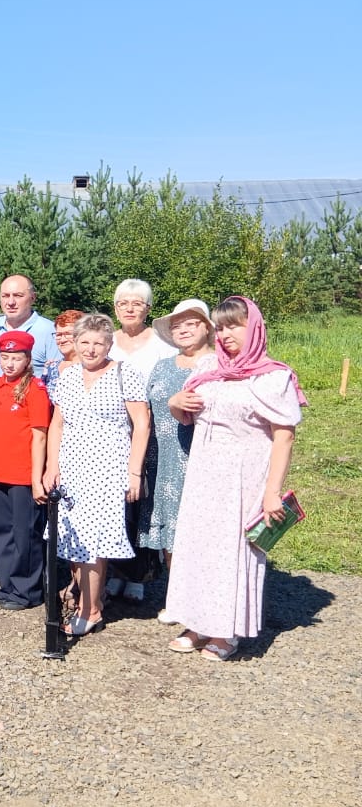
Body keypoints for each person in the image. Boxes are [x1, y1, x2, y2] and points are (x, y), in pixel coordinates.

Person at [163, 297, 304, 661]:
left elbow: (284, 436)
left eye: (234, 326)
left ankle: (226, 631)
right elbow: (186, 414)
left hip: (244, 473)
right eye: (221, 327)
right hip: (204, 471)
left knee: (231, 551)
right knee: (197, 547)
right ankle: (196, 622)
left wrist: (272, 492)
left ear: (253, 327)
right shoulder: (211, 367)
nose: (226, 334)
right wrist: (176, 402)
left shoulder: (273, 376)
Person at [42, 313, 150, 636]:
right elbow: (57, 424)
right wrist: (51, 465)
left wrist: (135, 472)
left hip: (107, 469)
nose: (91, 349)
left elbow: (142, 424)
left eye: (98, 343)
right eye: (84, 342)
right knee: (73, 539)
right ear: (75, 343)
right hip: (71, 468)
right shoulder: (68, 376)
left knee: (95, 543)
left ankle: (92, 611)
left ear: (109, 344)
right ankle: (86, 599)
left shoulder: (123, 373)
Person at [138, 299, 216, 617]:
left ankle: (205, 601)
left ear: (207, 327)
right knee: (170, 534)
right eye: (177, 325)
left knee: (198, 533)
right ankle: (177, 598)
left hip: (198, 460)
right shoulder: (163, 365)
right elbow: (145, 411)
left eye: (191, 323)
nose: (183, 329)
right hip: (161, 460)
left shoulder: (216, 366)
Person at [106, 280, 178, 601]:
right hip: (111, 435)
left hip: (151, 433)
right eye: (124, 303)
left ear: (148, 309)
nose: (130, 308)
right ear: (116, 307)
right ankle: (114, 570)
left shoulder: (162, 344)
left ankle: (138, 574)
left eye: (137, 303)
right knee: (115, 503)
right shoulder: (108, 342)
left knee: (143, 502)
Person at [0, 331, 51, 611]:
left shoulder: (35, 389)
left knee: (26, 534)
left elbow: (40, 435)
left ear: (28, 358)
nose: (9, 363)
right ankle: (7, 583)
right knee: (1, 532)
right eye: (5, 357)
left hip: (23, 474)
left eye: (16, 357)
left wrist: (36, 478)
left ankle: (28, 590)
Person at [0, 275, 61, 379]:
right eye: (5, 296)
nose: (10, 302)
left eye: (18, 296)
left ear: (33, 298)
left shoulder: (49, 331)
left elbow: (58, 376)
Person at [43, 309, 85, 394]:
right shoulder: (51, 368)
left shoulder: (94, 366)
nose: (62, 340)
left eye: (68, 334)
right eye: (58, 335)